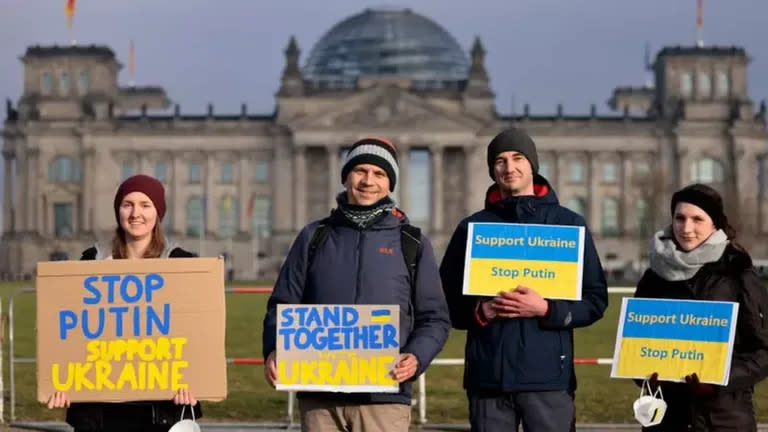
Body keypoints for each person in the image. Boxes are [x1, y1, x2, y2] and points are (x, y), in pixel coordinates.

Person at [262, 137, 451, 432]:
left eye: (379, 174)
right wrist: (275, 348)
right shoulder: (313, 237)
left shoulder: (412, 242)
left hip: (384, 397)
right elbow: (283, 303)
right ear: (346, 176)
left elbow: (435, 318)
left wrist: (416, 356)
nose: (368, 181)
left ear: (390, 184)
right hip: (320, 396)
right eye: (360, 171)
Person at [440, 128, 608, 432]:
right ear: (492, 169)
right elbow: (444, 303)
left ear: (533, 164)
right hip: (489, 379)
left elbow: (595, 302)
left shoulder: (568, 224)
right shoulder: (472, 228)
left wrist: (546, 309)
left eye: (518, 158)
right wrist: (481, 312)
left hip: (547, 380)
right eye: (500, 161)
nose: (509, 167)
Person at [46, 174, 203, 432]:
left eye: (145, 205)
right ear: (118, 210)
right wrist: (62, 381)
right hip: (101, 411)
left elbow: (197, 332)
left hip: (161, 408)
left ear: (158, 213)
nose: (135, 213)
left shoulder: (183, 264)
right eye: (127, 204)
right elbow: (68, 331)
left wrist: (196, 381)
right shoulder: (90, 262)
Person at [634, 183, 768, 431]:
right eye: (680, 218)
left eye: (697, 219)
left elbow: (762, 351)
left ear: (714, 224)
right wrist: (645, 375)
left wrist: (719, 381)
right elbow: (637, 345)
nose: (687, 228)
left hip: (724, 419)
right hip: (666, 419)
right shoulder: (654, 277)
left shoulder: (738, 274)